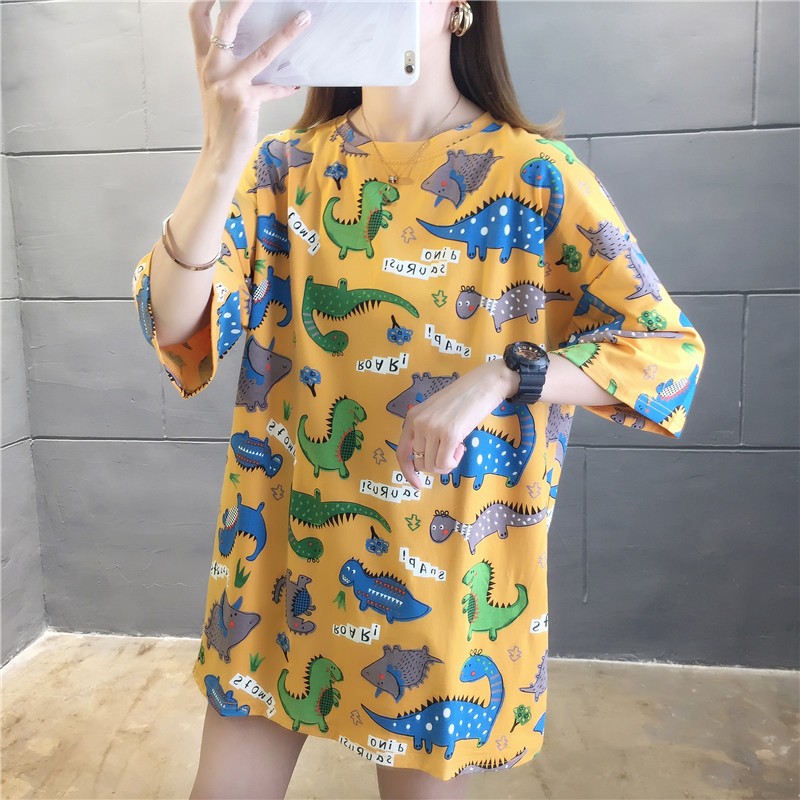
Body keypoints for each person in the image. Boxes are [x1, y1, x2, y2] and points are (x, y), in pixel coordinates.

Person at [131, 0, 706, 797]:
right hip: (280, 570)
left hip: (444, 586)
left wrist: (507, 374)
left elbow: (666, 352)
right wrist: (220, 149)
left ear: (460, 9)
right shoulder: (280, 170)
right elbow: (171, 320)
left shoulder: (534, 174)